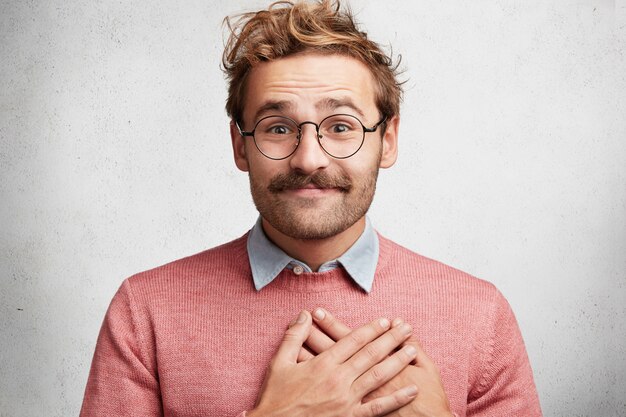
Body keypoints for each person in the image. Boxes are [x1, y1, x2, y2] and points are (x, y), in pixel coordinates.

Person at [80, 1, 542, 416]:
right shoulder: (144, 312)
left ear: (389, 140)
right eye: (277, 128)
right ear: (240, 148)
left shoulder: (480, 313)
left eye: (341, 126)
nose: (309, 158)